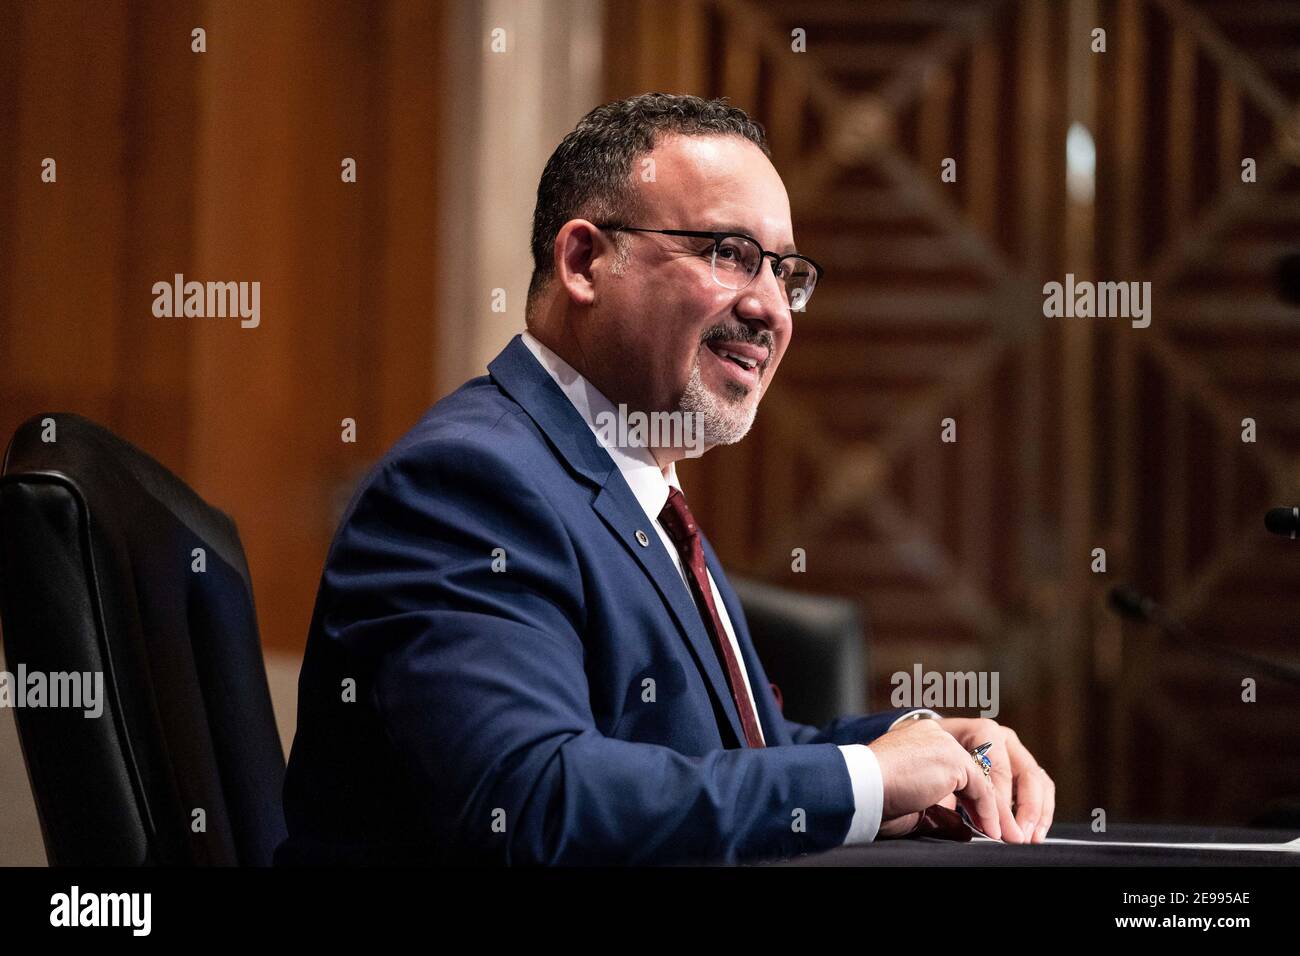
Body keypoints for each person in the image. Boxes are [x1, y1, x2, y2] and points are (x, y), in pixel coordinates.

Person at [277, 92, 1055, 865]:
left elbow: (742, 752)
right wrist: (858, 779)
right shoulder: (469, 484)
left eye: (787, 274)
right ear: (585, 262)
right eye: (729, 254)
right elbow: (531, 798)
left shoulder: (634, 482)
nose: (771, 309)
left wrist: (912, 750)